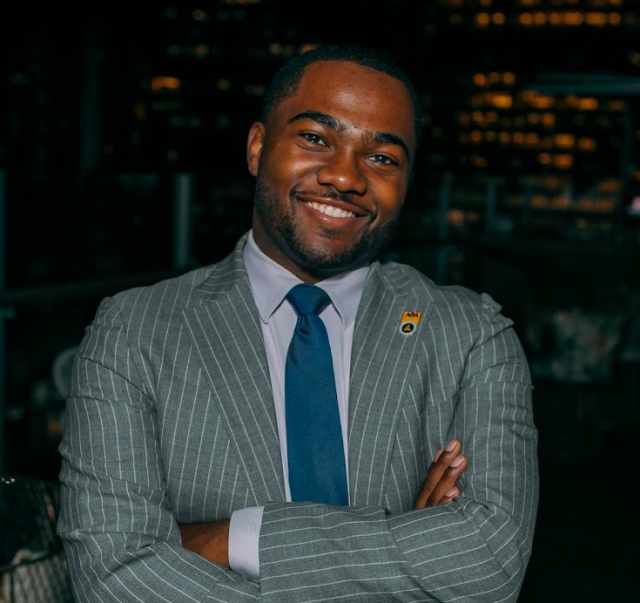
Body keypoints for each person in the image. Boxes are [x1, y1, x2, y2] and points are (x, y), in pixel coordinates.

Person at [58, 45, 538, 602]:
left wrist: (234, 537)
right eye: (315, 138)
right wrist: (409, 548)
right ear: (258, 147)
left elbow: (490, 560)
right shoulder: (134, 331)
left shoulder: (472, 335)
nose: (345, 177)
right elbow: (113, 576)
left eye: (382, 157)